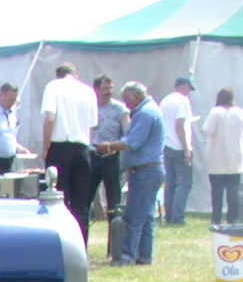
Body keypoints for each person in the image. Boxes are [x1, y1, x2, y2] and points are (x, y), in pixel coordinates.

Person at [97, 81, 165, 266]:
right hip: (150, 169)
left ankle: (126, 256)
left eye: (127, 100)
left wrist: (109, 146)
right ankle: (144, 255)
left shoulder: (145, 113)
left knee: (134, 215)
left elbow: (133, 142)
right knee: (146, 215)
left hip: (145, 171)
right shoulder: (151, 110)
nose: (126, 105)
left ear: (137, 96)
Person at [40, 62, 98, 244]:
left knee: (57, 200)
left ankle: (60, 244)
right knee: (81, 203)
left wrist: (46, 145)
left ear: (58, 75)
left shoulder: (53, 87)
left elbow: (50, 118)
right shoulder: (88, 91)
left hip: (59, 147)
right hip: (82, 148)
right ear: (76, 75)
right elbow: (91, 127)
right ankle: (81, 244)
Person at [202, 87, 243, 224]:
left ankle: (216, 219)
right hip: (235, 159)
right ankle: (232, 219)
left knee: (216, 193)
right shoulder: (240, 113)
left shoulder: (215, 112)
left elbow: (207, 130)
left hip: (216, 159)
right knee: (233, 193)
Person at [89, 75, 129, 223]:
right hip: (92, 154)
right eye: (105, 88)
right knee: (86, 196)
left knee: (114, 199)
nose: (109, 91)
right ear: (97, 90)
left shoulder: (119, 109)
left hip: (111, 157)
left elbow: (128, 134)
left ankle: (115, 237)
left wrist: (116, 146)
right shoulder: (90, 106)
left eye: (111, 88)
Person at [161, 74, 195, 225]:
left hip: (166, 145)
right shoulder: (183, 101)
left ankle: (168, 215)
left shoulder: (165, 101)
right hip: (179, 146)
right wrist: (187, 148)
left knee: (170, 183)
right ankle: (178, 217)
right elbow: (179, 125)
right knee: (184, 184)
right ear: (185, 86)